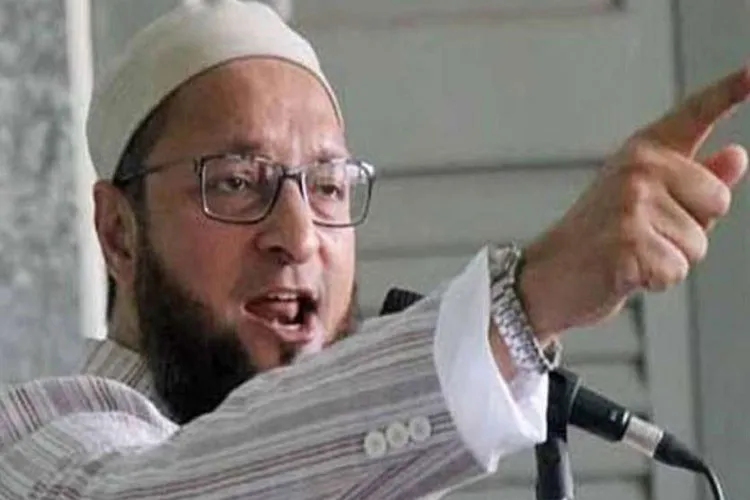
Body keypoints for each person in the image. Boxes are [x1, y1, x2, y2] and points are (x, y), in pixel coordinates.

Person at [0, 0, 748, 498]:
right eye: (234, 182)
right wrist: (527, 304)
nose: (298, 237)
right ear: (119, 232)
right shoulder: (33, 450)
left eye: (327, 187)